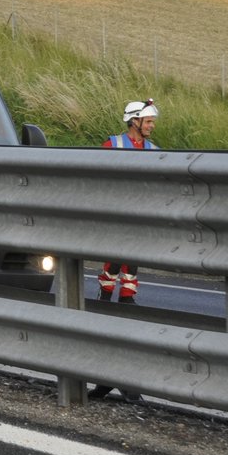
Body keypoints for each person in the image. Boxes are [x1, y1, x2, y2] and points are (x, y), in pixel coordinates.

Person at [98, 99, 160, 303]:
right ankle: (105, 296)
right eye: (148, 121)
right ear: (134, 121)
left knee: (133, 258)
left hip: (141, 213)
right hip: (116, 212)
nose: (152, 125)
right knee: (115, 258)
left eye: (152, 121)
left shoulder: (154, 151)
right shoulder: (113, 145)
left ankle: (127, 297)